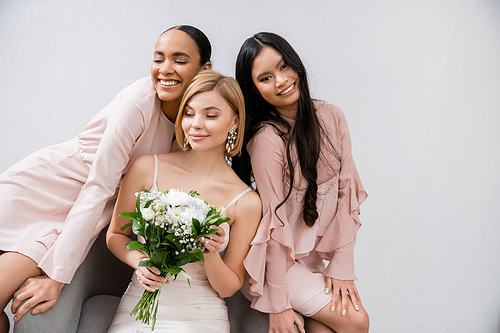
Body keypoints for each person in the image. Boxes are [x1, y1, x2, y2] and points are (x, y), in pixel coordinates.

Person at [0, 25, 212, 333]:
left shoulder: (197, 122)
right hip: (45, 189)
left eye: (179, 60)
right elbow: (98, 187)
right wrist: (57, 279)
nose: (166, 69)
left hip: (74, 218)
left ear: (204, 68)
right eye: (159, 58)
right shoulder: (138, 101)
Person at [231, 32, 370, 333]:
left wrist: (342, 263)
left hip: (311, 259)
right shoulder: (266, 138)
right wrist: (278, 302)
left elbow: (347, 193)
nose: (280, 81)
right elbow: (274, 222)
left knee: (325, 327)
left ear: (296, 64)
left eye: (283, 67)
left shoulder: (331, 117)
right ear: (253, 89)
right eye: (265, 78)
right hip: (273, 265)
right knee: (357, 321)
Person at [106, 70, 262, 333]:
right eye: (189, 113)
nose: (196, 124)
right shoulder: (147, 167)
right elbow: (115, 236)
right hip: (139, 311)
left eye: (210, 115)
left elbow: (229, 286)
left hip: (201, 316)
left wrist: (211, 254)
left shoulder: (246, 201)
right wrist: (141, 262)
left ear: (234, 121)